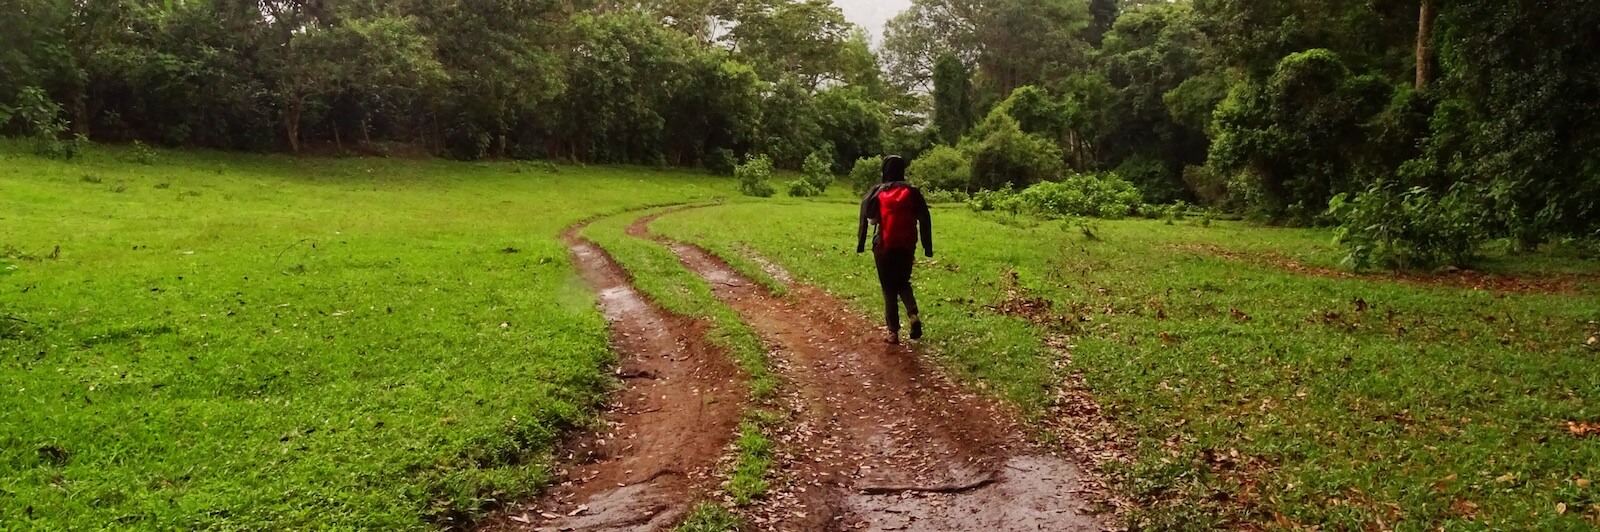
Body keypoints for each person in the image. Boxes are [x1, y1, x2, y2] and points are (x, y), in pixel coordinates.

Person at [857, 155, 933, 344]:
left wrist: (860, 243)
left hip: (883, 246)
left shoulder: (877, 191)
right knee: (903, 282)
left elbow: (870, 219)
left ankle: (893, 332)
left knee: (888, 288)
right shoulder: (912, 191)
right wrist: (927, 247)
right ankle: (912, 313)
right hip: (906, 246)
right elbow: (925, 219)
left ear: (884, 170)